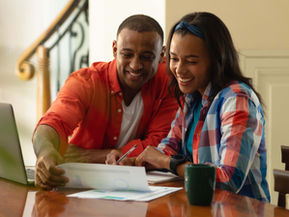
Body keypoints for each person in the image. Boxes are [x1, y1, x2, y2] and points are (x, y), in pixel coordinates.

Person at [134, 12, 271, 202]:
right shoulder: (191, 97)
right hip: (201, 207)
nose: (179, 70)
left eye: (191, 61)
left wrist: (167, 162)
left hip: (239, 211)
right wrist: (137, 162)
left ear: (217, 61)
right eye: (174, 58)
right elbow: (170, 147)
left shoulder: (237, 99)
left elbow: (228, 179)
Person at [32, 14, 178, 189]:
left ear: (162, 54)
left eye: (147, 57)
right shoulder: (87, 82)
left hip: (136, 187)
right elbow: (53, 122)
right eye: (127, 54)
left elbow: (158, 143)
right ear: (115, 49)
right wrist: (45, 152)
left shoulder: (168, 83)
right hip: (78, 183)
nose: (135, 65)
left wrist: (88, 156)